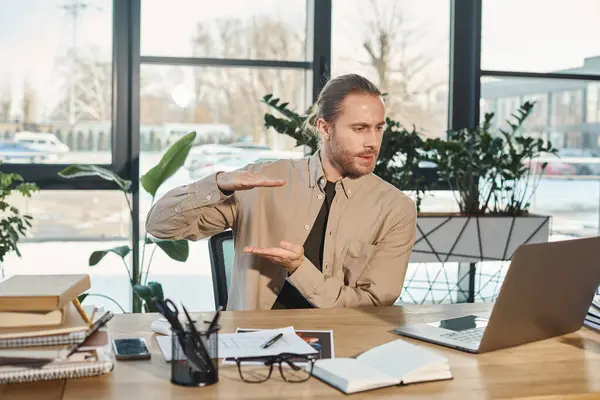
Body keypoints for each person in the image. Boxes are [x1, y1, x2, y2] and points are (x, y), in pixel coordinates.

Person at [145, 73, 417, 311]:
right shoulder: (263, 182)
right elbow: (160, 226)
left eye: (378, 128)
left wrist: (300, 269)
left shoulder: (395, 209)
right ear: (324, 128)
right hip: (253, 347)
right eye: (360, 128)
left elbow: (374, 305)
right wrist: (216, 184)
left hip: (343, 350)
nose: (372, 142)